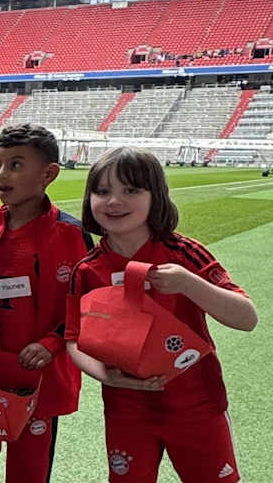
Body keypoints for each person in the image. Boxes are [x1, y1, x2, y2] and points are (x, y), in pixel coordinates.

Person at [66, 147, 257, 483]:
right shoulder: (87, 270)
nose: (114, 201)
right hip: (126, 407)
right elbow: (73, 339)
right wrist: (106, 376)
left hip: (197, 404)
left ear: (156, 196)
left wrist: (188, 284)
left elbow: (246, 318)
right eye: (102, 190)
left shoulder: (183, 253)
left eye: (130, 190)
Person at [0, 124, 92, 483]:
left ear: (49, 174)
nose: (2, 175)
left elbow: (87, 307)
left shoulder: (72, 234)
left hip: (40, 379)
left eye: (15, 165)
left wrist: (52, 343)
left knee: (29, 471)